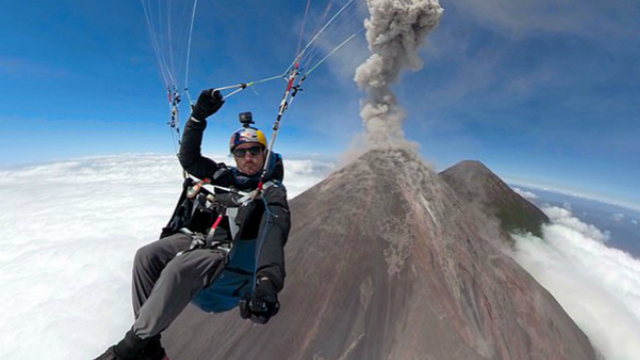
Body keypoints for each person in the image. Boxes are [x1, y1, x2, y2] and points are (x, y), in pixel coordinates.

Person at [92, 90, 291, 360]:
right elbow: (189, 159)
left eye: (254, 151)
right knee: (146, 256)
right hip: (202, 239)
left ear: (264, 153)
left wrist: (267, 281)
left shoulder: (270, 191)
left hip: (230, 258)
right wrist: (197, 118)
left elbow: (275, 229)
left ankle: (127, 349)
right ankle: (151, 347)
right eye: (240, 152)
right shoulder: (227, 176)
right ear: (233, 155)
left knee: (178, 267)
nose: (247, 158)